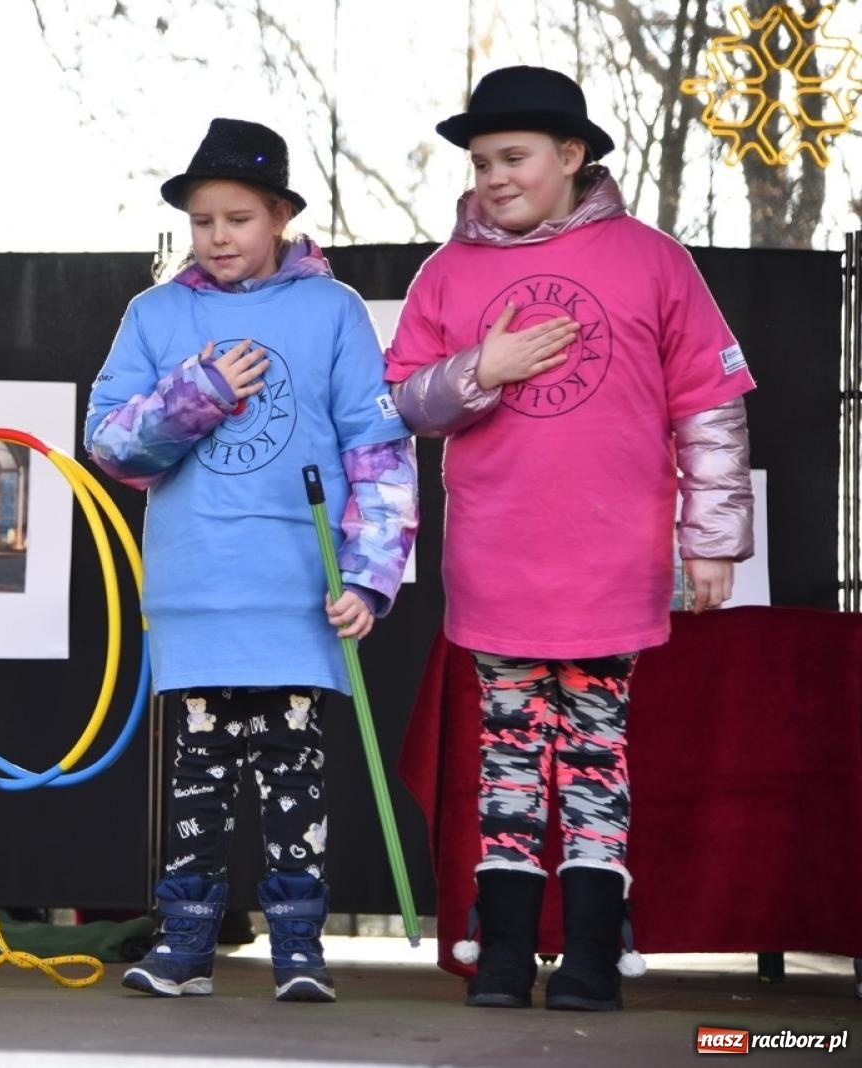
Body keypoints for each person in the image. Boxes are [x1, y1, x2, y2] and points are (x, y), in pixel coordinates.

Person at [385, 66, 755, 1012]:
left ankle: (592, 953)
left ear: (573, 156)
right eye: (480, 161)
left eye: (514, 157)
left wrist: (710, 542)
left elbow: (709, 407)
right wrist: (484, 367)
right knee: (507, 755)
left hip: (610, 563)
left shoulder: (653, 258)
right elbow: (400, 404)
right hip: (497, 561)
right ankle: (504, 952)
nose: (494, 176)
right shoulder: (445, 272)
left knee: (595, 755)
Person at [85, 118, 418, 1003]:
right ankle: (186, 946)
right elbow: (112, 448)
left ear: (279, 217)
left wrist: (371, 577)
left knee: (294, 778)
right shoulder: (154, 315)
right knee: (196, 778)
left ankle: (298, 949)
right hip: (197, 592)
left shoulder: (333, 309)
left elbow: (379, 450)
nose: (219, 237)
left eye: (238, 217)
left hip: (297, 596)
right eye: (202, 221)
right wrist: (198, 394)